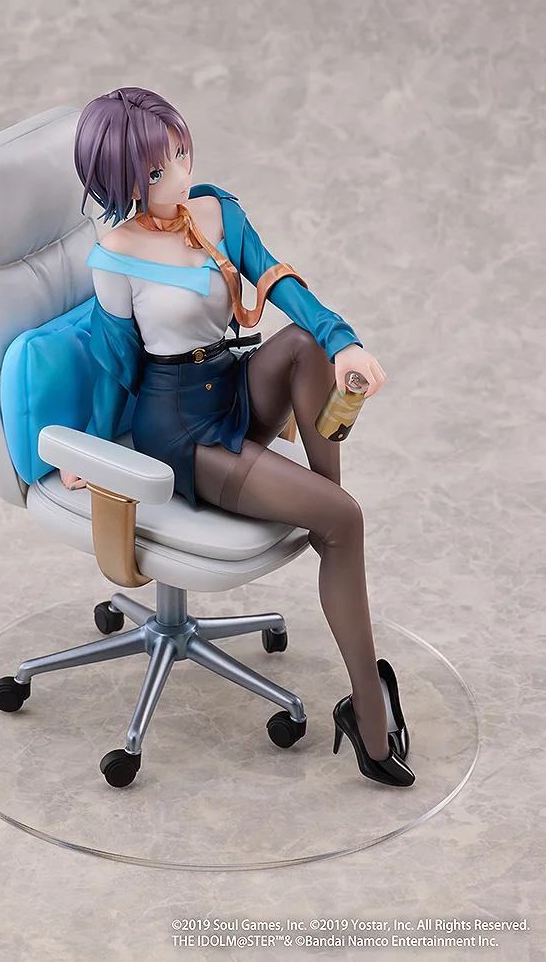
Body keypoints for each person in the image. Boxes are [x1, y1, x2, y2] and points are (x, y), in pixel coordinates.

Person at [62, 86, 415, 788]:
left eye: (181, 152)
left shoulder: (218, 211)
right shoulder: (115, 257)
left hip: (232, 380)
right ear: (124, 180)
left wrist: (345, 343)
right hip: (180, 426)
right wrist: (92, 449)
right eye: (157, 170)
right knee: (345, 520)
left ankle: (324, 521)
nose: (180, 175)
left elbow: (283, 287)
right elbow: (115, 366)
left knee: (305, 346)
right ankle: (369, 714)